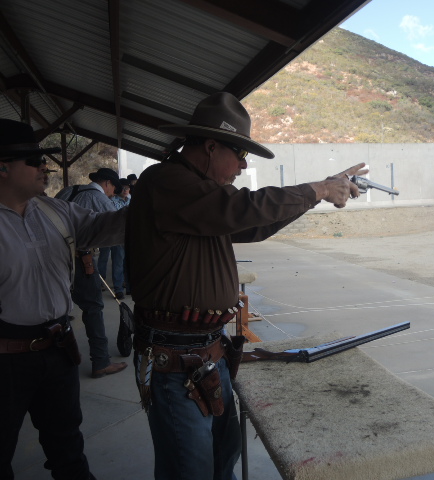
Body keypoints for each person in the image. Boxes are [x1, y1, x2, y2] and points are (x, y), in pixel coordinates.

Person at [126, 92, 367, 480]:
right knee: (191, 470)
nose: (243, 164)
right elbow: (241, 208)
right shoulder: (167, 181)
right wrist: (319, 189)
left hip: (206, 352)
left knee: (223, 456)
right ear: (210, 146)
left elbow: (254, 225)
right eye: (238, 153)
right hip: (177, 359)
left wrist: (317, 193)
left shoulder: (199, 196)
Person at [0, 119, 127, 479]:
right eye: (33, 160)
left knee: (68, 446)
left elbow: (107, 226)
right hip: (5, 360)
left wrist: (155, 206)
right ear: (2, 167)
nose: (44, 166)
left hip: (58, 348)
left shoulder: (55, 211)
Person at [56, 168, 128, 378]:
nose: (113, 194)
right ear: (106, 183)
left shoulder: (67, 191)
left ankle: (61, 358)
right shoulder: (99, 198)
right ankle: (101, 361)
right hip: (80, 258)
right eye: (113, 188)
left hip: (54, 258)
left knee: (58, 309)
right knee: (93, 307)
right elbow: (115, 227)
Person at [97, 178, 130, 299]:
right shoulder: (110, 200)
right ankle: (100, 283)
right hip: (107, 234)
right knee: (103, 259)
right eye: (123, 188)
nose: (125, 190)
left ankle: (118, 288)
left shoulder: (130, 200)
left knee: (118, 262)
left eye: (127, 188)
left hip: (120, 236)